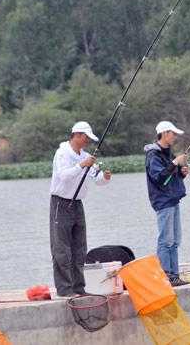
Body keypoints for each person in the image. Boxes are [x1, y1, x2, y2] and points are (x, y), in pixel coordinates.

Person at [49, 121, 112, 297]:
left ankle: (79, 287)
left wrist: (105, 177)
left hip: (77, 204)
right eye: (85, 138)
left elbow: (97, 179)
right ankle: (65, 289)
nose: (87, 142)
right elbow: (64, 176)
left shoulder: (85, 155)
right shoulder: (62, 153)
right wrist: (82, 165)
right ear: (76, 135)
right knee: (62, 248)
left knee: (79, 247)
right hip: (60, 203)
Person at [144, 121, 190, 287]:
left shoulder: (167, 154)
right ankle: (166, 276)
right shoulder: (153, 155)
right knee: (166, 240)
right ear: (164, 134)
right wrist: (175, 163)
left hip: (173, 199)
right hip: (163, 202)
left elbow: (170, 176)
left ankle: (174, 275)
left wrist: (182, 173)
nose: (175, 137)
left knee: (175, 240)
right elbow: (160, 178)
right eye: (173, 134)